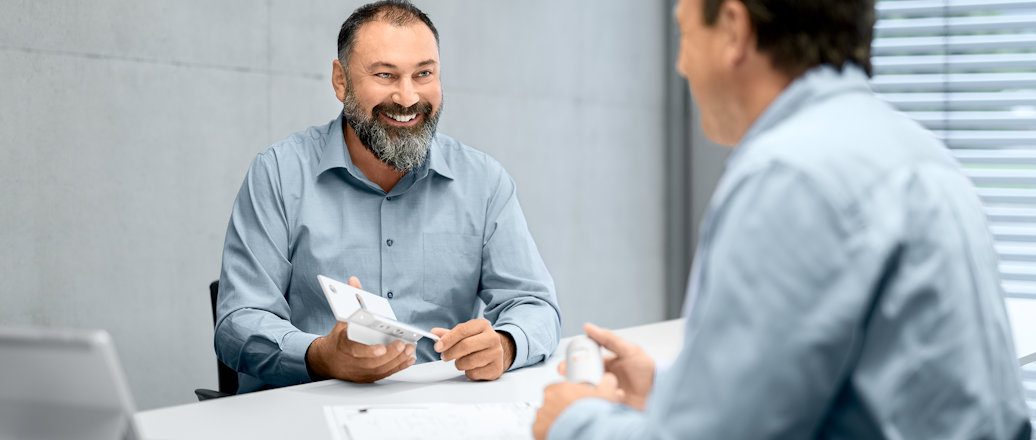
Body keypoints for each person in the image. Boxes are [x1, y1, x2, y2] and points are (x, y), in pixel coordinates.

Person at [534, 0, 1032, 438]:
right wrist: (668, 392)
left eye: (685, 34)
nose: (682, 65)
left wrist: (575, 422)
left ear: (733, 29)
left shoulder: (789, 176)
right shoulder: (922, 153)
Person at [215, 0, 561, 393]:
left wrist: (506, 344)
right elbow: (238, 323)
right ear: (341, 80)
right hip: (310, 408)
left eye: (424, 74)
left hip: (440, 413)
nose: (408, 97)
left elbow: (536, 306)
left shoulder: (483, 182)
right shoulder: (278, 173)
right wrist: (322, 354)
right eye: (385, 74)